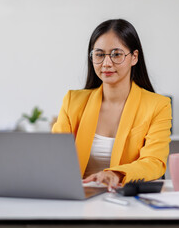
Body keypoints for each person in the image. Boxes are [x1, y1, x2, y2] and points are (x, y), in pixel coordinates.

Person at [52, 19, 172, 190]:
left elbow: (154, 162)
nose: (106, 63)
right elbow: (54, 155)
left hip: (125, 200)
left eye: (116, 54)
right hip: (77, 197)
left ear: (134, 57)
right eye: (99, 55)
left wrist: (115, 174)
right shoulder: (73, 101)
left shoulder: (158, 105)